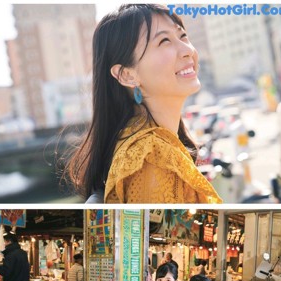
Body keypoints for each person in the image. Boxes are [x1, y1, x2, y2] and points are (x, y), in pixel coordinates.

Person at [64, 4, 222, 204]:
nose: (187, 50)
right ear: (127, 75)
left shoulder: (153, 143)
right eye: (164, 41)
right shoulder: (151, 157)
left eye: (182, 36)